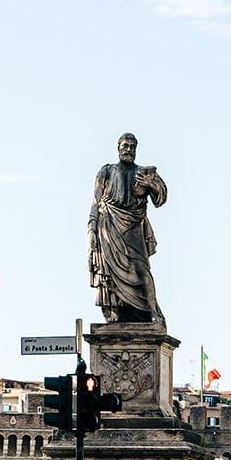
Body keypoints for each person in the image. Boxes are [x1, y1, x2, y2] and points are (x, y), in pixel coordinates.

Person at [87, 133, 168, 324]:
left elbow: (161, 198)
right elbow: (95, 202)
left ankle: (152, 311)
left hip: (133, 228)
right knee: (109, 271)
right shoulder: (106, 172)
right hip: (108, 227)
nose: (128, 150)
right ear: (118, 148)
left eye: (132, 146)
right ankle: (114, 312)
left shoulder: (144, 173)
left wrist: (151, 185)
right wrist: (91, 229)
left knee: (141, 269)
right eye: (125, 146)